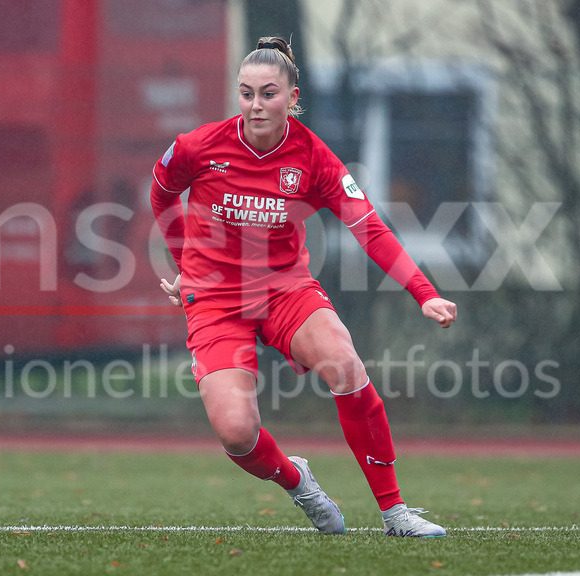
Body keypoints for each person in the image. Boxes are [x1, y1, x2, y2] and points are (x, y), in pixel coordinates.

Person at [150, 36, 457, 537]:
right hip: (215, 301)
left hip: (285, 290)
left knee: (345, 363)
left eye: (268, 93)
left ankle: (395, 513)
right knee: (236, 433)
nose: (255, 105)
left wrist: (425, 292)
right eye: (246, 93)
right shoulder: (198, 146)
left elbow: (369, 228)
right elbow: (161, 192)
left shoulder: (313, 156)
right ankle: (300, 483)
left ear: (293, 98)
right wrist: (186, 262)